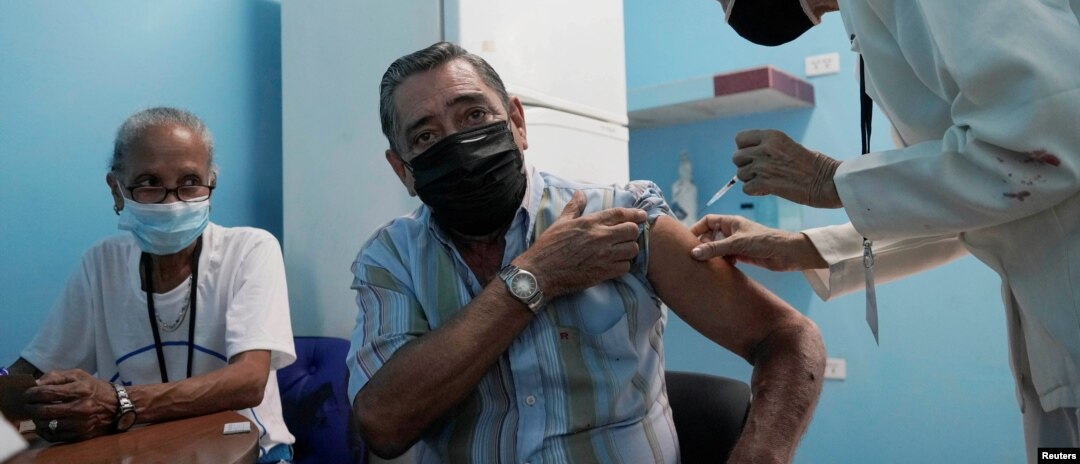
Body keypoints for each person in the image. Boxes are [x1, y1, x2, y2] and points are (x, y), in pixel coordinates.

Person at [672, 0, 1080, 457]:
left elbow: (1039, 149)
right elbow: (971, 196)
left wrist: (828, 179)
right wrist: (797, 248)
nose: (734, 13)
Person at [347, 42, 825, 464]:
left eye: (474, 115)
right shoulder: (391, 259)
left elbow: (787, 337)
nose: (458, 143)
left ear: (517, 122)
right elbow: (383, 425)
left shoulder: (625, 217)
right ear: (403, 170)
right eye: (426, 137)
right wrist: (537, 275)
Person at [7, 107, 296, 463]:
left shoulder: (251, 250)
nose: (172, 203)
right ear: (116, 190)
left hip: (247, 450)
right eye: (149, 183)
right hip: (143, 452)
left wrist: (119, 403)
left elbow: (248, 380)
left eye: (190, 182)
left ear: (212, 185)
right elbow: (32, 375)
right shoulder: (102, 264)